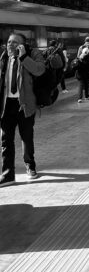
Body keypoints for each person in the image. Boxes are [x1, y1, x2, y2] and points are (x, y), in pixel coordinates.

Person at [0, 32, 45, 185]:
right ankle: (7, 174)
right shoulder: (3, 57)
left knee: (26, 137)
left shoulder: (33, 54)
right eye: (8, 41)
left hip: (25, 104)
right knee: (5, 140)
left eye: (14, 42)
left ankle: (30, 166)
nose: (9, 45)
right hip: (6, 105)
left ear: (23, 45)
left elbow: (39, 70)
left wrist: (24, 57)